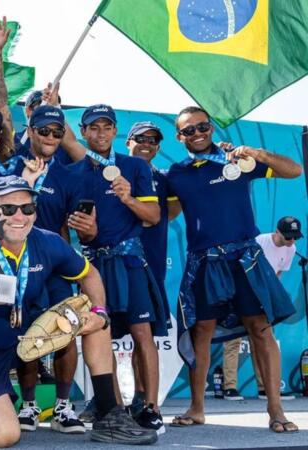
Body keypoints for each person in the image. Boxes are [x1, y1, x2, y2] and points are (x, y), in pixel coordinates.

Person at [0, 175, 158, 446]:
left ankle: (108, 416)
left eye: (27, 208)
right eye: (8, 208)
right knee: (3, 436)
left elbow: (90, 274)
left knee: (95, 320)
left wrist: (98, 311)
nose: (19, 217)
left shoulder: (47, 241)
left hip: (25, 339)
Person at [166, 106, 302, 433]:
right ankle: (197, 408)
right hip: (204, 261)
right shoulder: (176, 175)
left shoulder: (238, 161)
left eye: (202, 127)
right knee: (201, 333)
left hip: (244, 258)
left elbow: (295, 170)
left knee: (260, 329)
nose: (197, 134)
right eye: (189, 130)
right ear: (179, 137)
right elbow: (165, 216)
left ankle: (276, 410)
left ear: (211, 128)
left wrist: (257, 153)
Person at [68, 104, 170, 435]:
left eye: (106, 127)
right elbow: (83, 232)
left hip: (130, 261)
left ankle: (151, 407)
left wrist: (128, 198)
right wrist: (88, 232)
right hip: (94, 265)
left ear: (115, 131)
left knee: (143, 333)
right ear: (83, 132)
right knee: (100, 334)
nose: (100, 133)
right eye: (93, 127)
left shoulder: (135, 166)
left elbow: (153, 217)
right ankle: (111, 406)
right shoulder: (75, 172)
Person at [16, 104, 97, 433]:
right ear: (30, 131)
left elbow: (79, 229)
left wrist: (88, 229)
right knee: (27, 334)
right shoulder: (13, 163)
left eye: (57, 132)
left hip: (55, 264)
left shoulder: (68, 174)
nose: (50, 137)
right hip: (18, 262)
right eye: (44, 131)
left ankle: (63, 407)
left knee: (65, 332)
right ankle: (29, 405)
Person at [126, 120, 178, 421]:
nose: (147, 144)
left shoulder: (163, 178)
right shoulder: (114, 171)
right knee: (104, 334)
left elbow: (168, 213)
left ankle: (144, 400)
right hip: (115, 264)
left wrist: (148, 216)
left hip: (151, 265)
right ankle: (107, 401)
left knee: (143, 334)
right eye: (140, 138)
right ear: (128, 142)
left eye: (153, 140)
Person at [222, 216, 303, 400]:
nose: (291, 240)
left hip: (263, 298)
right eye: (288, 236)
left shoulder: (291, 249)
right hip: (243, 292)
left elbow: (277, 273)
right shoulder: (259, 242)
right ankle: (230, 387)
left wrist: (270, 298)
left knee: (262, 342)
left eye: (295, 237)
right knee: (233, 341)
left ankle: (265, 387)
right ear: (277, 232)